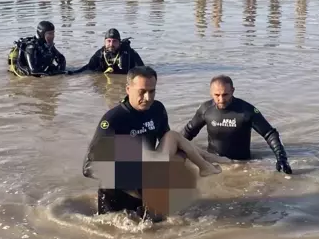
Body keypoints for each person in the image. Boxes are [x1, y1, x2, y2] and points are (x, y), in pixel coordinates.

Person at [82, 66, 222, 218]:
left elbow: (175, 143)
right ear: (128, 89)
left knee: (178, 150)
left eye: (152, 91)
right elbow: (88, 166)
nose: (148, 97)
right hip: (118, 192)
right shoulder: (113, 119)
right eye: (142, 92)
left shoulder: (157, 109)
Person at [181, 75, 293, 174]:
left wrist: (281, 158)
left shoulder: (247, 110)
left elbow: (269, 133)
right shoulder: (205, 109)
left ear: (233, 90)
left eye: (225, 94)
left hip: (242, 165)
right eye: (217, 95)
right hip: (214, 161)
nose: (221, 99)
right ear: (211, 92)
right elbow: (188, 132)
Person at [73, 28, 144, 75]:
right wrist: (73, 73)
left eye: (114, 41)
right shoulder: (100, 54)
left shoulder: (130, 53)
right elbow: (89, 67)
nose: (111, 44)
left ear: (119, 42)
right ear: (104, 42)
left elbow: (142, 69)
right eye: (109, 41)